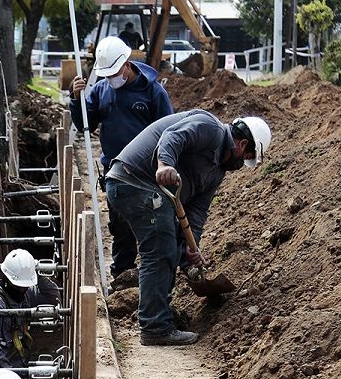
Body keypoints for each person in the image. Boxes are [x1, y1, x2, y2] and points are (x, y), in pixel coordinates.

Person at [104, 111, 272, 346]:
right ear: (243, 144)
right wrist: (164, 165)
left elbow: (196, 213)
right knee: (161, 249)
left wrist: (190, 251)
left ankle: (161, 314)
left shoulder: (216, 172)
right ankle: (155, 326)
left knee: (170, 246)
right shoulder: (210, 127)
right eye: (247, 157)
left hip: (148, 192)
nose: (243, 164)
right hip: (133, 180)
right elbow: (172, 137)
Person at [71, 37, 174, 279]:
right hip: (115, 171)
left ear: (127, 64)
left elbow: (169, 130)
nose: (111, 78)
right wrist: (77, 100)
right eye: (106, 74)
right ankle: (122, 272)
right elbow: (85, 123)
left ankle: (155, 271)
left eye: (114, 72)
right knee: (120, 225)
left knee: (152, 223)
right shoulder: (101, 90)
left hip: (147, 172)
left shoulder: (153, 91)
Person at [0, 249, 60, 369]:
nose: (22, 289)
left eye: (25, 286)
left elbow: (53, 299)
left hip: (19, 368)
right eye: (18, 286)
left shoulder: (25, 295)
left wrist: (38, 274)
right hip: (1, 377)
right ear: (6, 278)